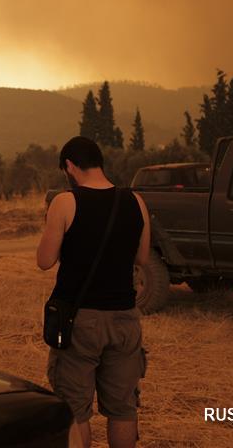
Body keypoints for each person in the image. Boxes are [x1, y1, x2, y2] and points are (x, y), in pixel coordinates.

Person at [37, 136, 151, 448]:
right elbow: (141, 259)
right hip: (126, 320)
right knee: (123, 409)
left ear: (70, 166)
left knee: (75, 411)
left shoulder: (65, 202)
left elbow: (44, 261)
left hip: (81, 321)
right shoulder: (135, 201)